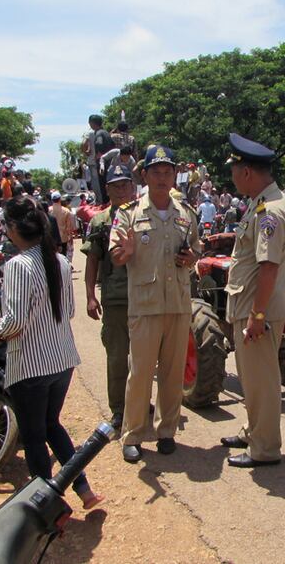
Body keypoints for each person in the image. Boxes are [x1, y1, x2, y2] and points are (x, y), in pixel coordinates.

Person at [0, 196, 103, 510]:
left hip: (31, 365)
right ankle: (83, 489)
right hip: (62, 360)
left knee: (35, 437)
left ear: (13, 228)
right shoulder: (60, 261)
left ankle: (48, 508)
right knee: (52, 424)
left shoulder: (17, 265)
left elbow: (14, 322)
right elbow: (69, 310)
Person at [110, 145, 200, 463]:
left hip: (177, 304)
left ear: (174, 175)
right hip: (145, 305)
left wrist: (191, 257)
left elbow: (196, 249)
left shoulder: (186, 213)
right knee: (140, 374)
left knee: (173, 374)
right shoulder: (128, 213)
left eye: (167, 172)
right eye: (156, 172)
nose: (162, 178)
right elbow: (116, 255)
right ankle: (133, 434)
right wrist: (125, 252)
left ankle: (166, 431)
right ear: (145, 176)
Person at [220, 133, 285, 468]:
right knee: (251, 378)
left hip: (257, 309)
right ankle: (254, 432)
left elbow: (268, 267)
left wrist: (258, 315)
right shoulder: (260, 203)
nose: (232, 177)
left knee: (262, 381)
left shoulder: (269, 211)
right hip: (250, 305)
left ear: (247, 172)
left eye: (234, 171)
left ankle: (264, 448)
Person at [83, 163, 137, 430]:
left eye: (125, 184)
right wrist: (90, 296)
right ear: (107, 189)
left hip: (144, 297)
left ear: (132, 186)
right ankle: (119, 409)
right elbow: (92, 260)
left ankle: (139, 402)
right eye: (116, 186)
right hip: (115, 298)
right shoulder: (100, 221)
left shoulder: (143, 215)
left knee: (144, 357)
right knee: (117, 357)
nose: (121, 189)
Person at [50, 192, 74, 256]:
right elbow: (69, 227)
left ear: (52, 200)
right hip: (63, 238)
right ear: (60, 199)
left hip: (52, 238)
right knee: (63, 256)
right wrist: (70, 237)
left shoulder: (48, 210)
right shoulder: (66, 211)